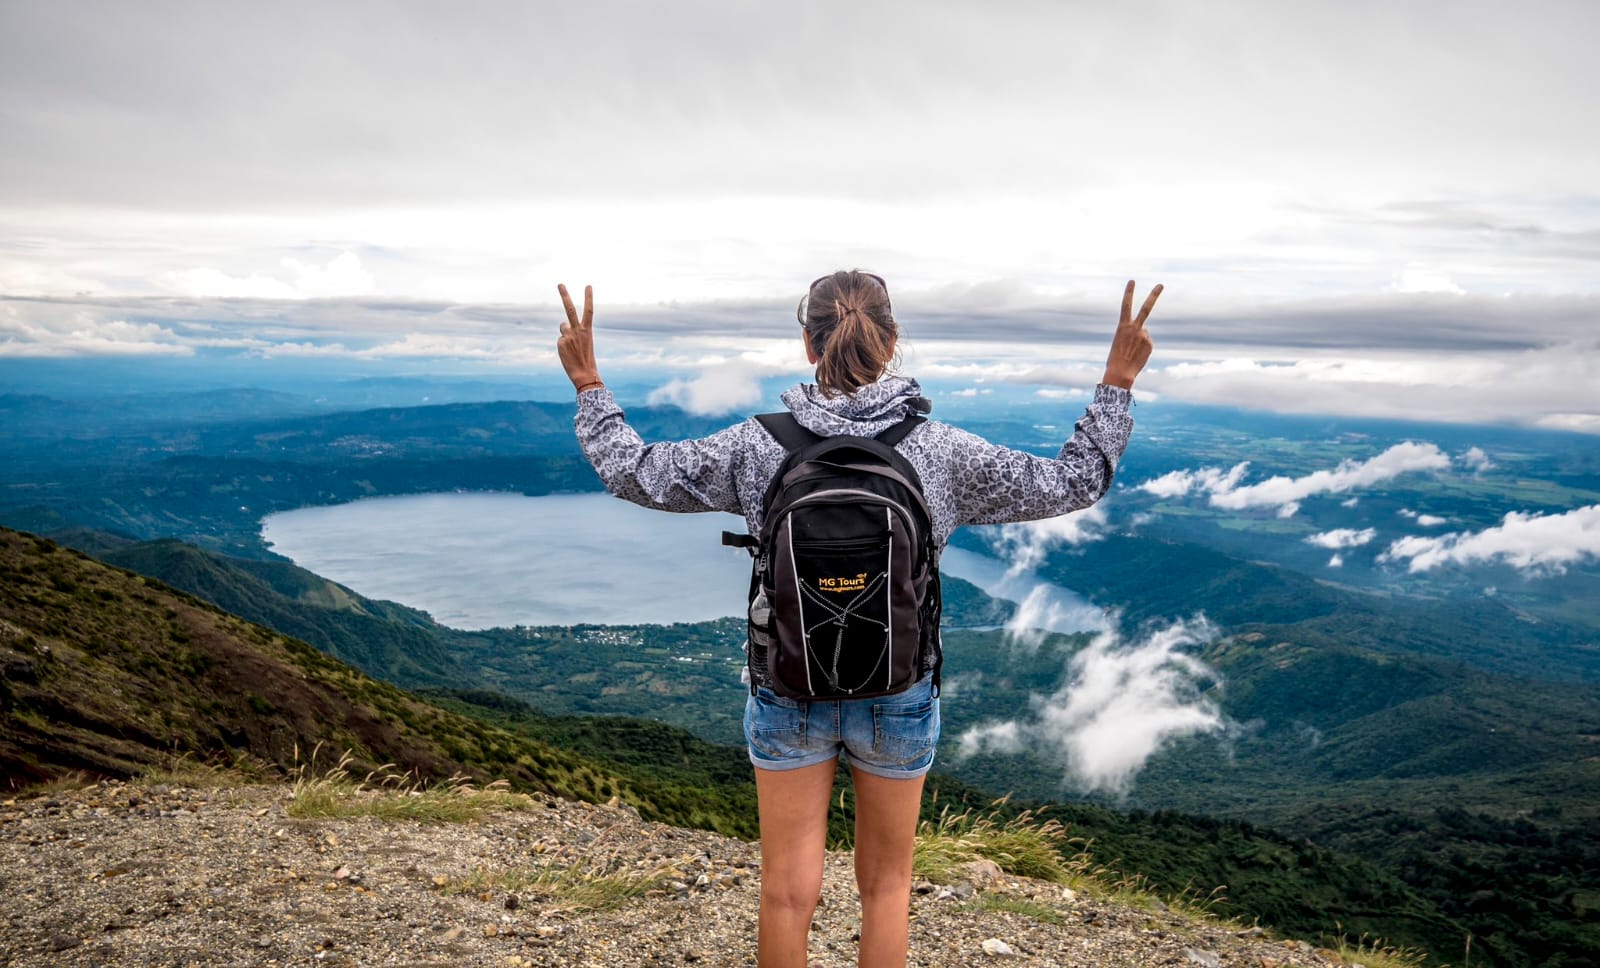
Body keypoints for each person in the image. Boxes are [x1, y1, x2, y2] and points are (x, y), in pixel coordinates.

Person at [556, 271, 1160, 968]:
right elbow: (1073, 480)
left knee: (786, 894)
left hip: (789, 683)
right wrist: (1116, 381)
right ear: (893, 342)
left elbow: (636, 472)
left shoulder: (758, 444)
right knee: (888, 888)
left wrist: (590, 386)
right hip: (898, 690)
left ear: (807, 343)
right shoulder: (940, 450)